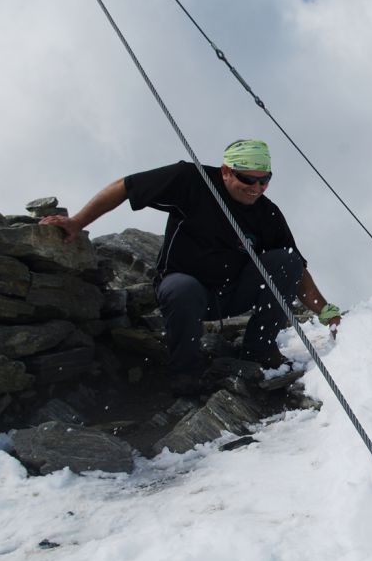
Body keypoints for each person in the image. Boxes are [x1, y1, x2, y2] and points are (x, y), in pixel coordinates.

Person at [41, 140, 342, 394]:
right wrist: (78, 221)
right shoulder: (191, 181)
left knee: (285, 259)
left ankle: (258, 350)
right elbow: (126, 187)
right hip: (185, 290)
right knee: (182, 288)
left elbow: (296, 271)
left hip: (232, 293)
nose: (256, 188)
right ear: (226, 172)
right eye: (248, 179)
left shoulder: (268, 215)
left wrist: (327, 312)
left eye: (264, 180)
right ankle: (185, 372)